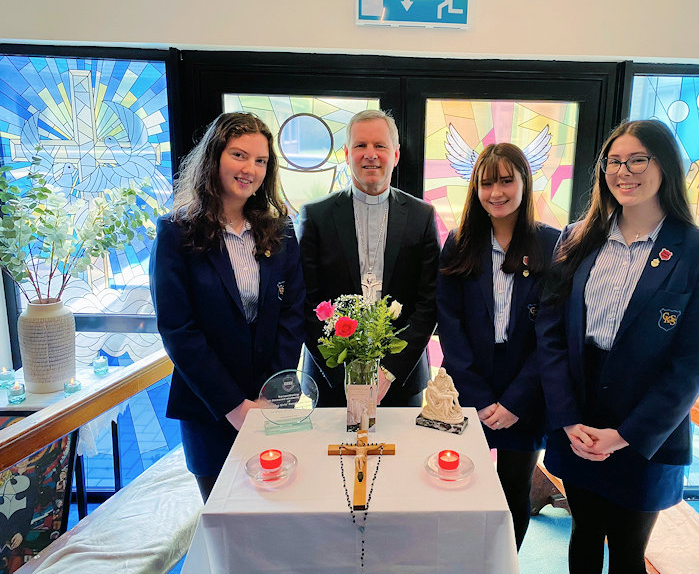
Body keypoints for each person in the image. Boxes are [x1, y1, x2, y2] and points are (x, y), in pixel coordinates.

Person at [536, 120, 699, 574]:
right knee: (583, 535)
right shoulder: (578, 239)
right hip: (579, 422)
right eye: (614, 162)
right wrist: (567, 419)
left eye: (638, 159)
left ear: (665, 166)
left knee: (627, 552)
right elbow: (550, 334)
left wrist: (626, 435)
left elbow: (692, 363)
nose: (624, 171)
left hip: (646, 433)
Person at [150, 112, 304, 502]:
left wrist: (271, 394)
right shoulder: (175, 233)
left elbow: (293, 316)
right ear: (214, 157)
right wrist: (235, 407)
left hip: (273, 403)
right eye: (239, 155)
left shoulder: (280, 230)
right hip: (209, 409)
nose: (249, 169)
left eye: (261, 161)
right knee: (225, 521)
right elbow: (178, 330)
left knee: (278, 510)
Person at [436, 143, 560, 550]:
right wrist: (478, 397)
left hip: (527, 385)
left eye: (507, 180)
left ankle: (505, 563)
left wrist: (515, 402)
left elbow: (551, 332)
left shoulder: (551, 244)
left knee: (513, 492)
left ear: (525, 182)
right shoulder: (459, 243)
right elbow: (450, 326)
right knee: (455, 483)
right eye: (487, 183)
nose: (497, 192)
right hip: (470, 382)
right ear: (476, 188)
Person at [298, 109, 439, 407]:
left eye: (380, 146)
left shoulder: (421, 216)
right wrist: (344, 373)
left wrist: (389, 372)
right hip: (332, 380)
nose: (370, 154)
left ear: (396, 154)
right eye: (360, 146)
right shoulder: (316, 216)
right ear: (347, 153)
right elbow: (305, 303)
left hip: (402, 378)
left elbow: (429, 303)